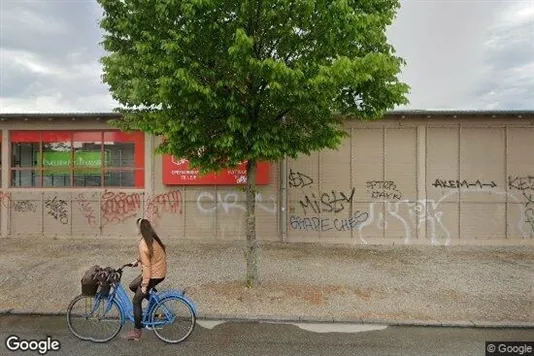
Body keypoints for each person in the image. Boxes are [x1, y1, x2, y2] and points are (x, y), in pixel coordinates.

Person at [125, 218, 167, 341]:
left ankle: (137, 332)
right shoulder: (151, 238)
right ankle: (153, 303)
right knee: (132, 286)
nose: (135, 229)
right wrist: (137, 260)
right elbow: (148, 255)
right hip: (159, 271)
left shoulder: (144, 243)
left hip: (154, 274)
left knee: (136, 301)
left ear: (141, 229)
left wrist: (144, 285)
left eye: (137, 227)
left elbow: (147, 267)